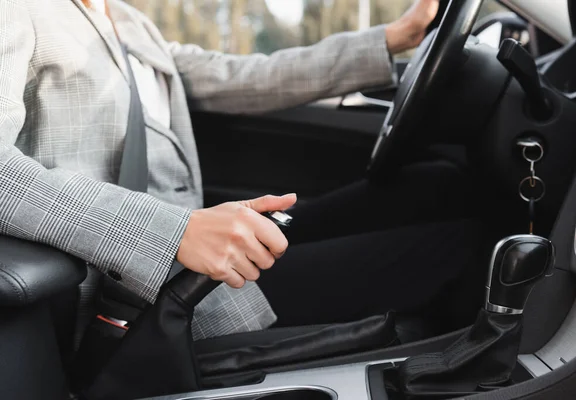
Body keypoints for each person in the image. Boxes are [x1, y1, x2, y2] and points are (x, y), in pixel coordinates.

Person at [0, 0, 480, 342]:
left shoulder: (126, 21)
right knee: (459, 245)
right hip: (140, 288)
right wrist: (174, 232)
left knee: (430, 186)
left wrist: (392, 39)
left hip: (197, 247)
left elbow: (242, 77)